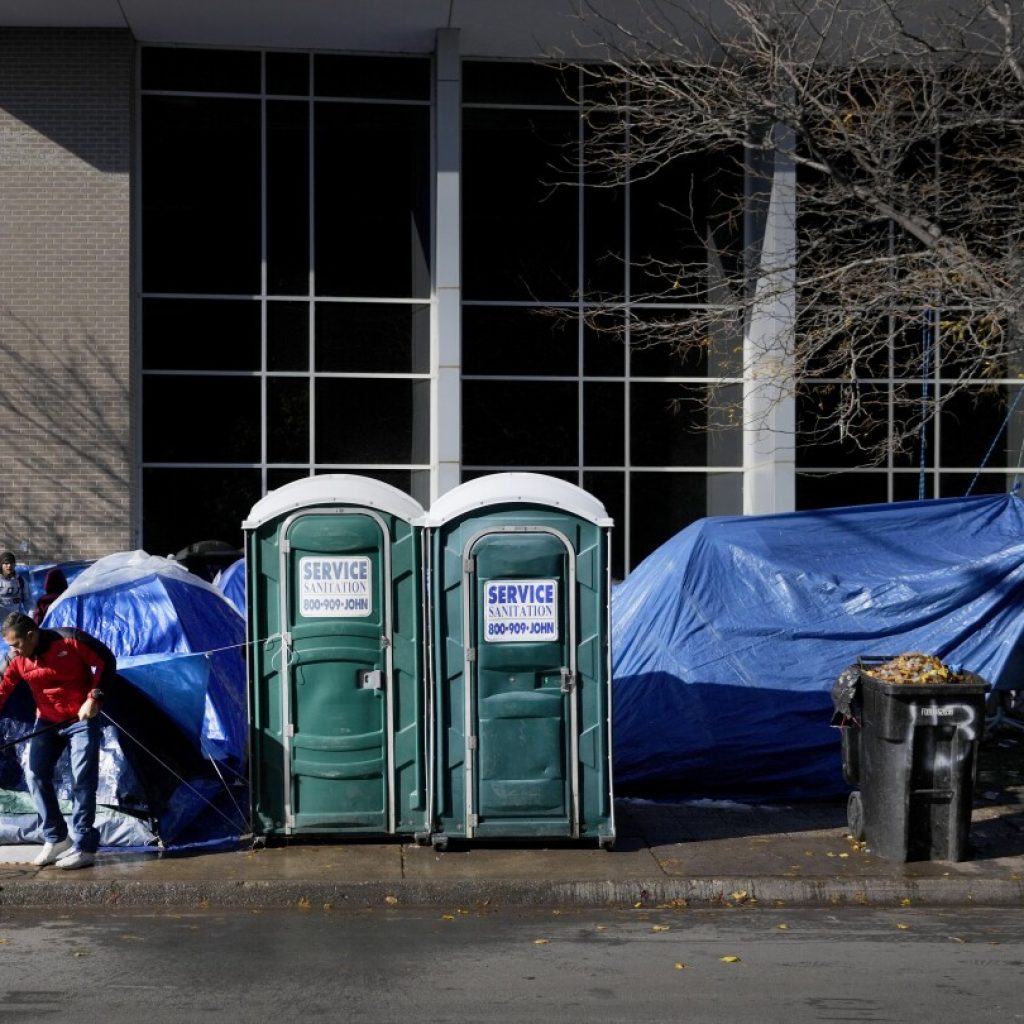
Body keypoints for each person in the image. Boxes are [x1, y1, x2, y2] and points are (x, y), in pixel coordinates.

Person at [0, 612, 116, 870]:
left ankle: (85, 846)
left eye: (16, 644)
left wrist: (94, 698)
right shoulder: (15, 659)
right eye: (10, 647)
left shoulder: (70, 640)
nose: (14, 651)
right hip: (47, 720)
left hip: (81, 718)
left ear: (31, 635)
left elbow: (106, 660)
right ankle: (57, 838)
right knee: (34, 774)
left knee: (82, 779)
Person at [0, 552, 27, 621]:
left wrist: (31, 616)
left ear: (15, 565)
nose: (9, 566)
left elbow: (28, 600)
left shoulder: (20, 580)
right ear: (1, 565)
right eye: (6, 563)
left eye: (11, 563)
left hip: (14, 622)